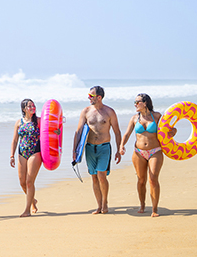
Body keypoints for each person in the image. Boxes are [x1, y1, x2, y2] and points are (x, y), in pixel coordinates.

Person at [118, 93, 177, 217]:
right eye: (134, 102)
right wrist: (122, 145)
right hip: (139, 153)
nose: (135, 104)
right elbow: (127, 134)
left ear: (145, 103)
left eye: (137, 102)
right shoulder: (134, 118)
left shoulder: (157, 116)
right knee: (141, 180)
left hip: (155, 151)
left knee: (153, 179)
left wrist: (173, 132)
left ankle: (154, 209)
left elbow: (172, 129)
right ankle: (142, 205)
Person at [73, 86, 121, 214]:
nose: (89, 97)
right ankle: (99, 206)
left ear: (99, 97)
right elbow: (78, 132)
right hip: (89, 148)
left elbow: (117, 132)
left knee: (101, 175)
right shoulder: (86, 111)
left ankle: (105, 203)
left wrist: (119, 149)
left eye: (91, 95)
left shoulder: (109, 112)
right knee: (94, 177)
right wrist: (75, 151)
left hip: (104, 148)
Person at [10, 99, 43, 217]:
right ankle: (33, 200)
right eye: (30, 106)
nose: (32, 108)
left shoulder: (39, 121)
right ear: (24, 109)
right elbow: (15, 140)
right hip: (22, 152)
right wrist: (12, 155)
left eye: (33, 105)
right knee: (22, 182)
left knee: (29, 182)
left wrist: (57, 131)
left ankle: (27, 209)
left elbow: (49, 131)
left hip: (35, 152)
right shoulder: (19, 122)